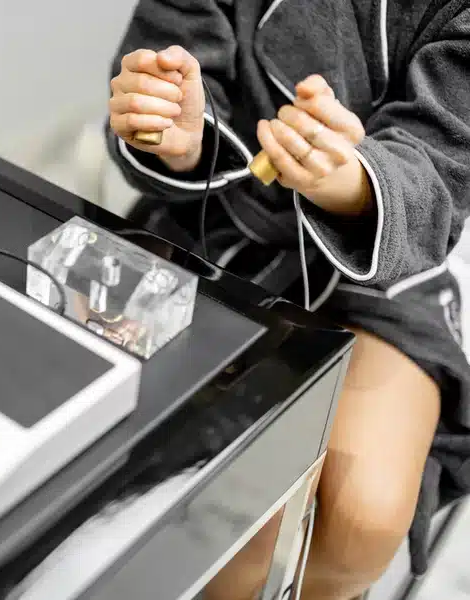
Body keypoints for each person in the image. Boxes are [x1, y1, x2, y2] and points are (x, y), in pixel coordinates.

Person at [106, 1, 470, 599]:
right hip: (218, 223)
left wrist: (354, 181)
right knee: (230, 500)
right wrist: (176, 133)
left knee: (363, 520)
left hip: (385, 262)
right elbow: (168, 67)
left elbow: (442, 165)